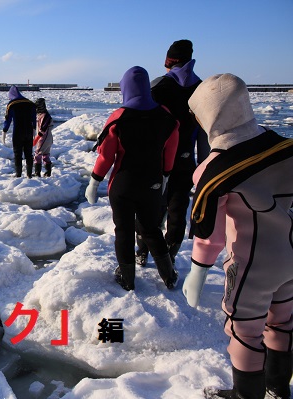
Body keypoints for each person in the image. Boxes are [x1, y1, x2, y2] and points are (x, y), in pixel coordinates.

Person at [182, 73, 293, 399]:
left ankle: (246, 395)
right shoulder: (283, 147)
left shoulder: (214, 168)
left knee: (245, 332)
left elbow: (211, 236)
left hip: (251, 267)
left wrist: (197, 272)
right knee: (284, 322)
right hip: (290, 255)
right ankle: (278, 388)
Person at [85, 66, 180, 291]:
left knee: (124, 230)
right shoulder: (166, 117)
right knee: (151, 228)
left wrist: (94, 181)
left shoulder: (119, 117)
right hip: (153, 184)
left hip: (123, 184)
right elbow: (171, 152)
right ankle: (168, 275)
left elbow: (106, 156)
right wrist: (165, 176)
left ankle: (127, 278)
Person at [135, 39, 210, 267]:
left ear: (169, 62)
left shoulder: (158, 87)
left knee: (151, 209)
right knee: (178, 210)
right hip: (187, 161)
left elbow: (144, 128)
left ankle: (142, 251)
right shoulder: (203, 89)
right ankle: (169, 256)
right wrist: (204, 165)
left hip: (157, 162)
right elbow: (205, 132)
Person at [2, 85, 36, 178]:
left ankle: (18, 175)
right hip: (29, 131)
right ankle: (29, 175)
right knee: (29, 153)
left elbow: (8, 120)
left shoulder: (12, 104)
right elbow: (34, 118)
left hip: (18, 132)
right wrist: (34, 130)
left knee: (18, 154)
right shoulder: (30, 103)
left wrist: (4, 131)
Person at [34, 98, 54, 177]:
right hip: (46, 138)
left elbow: (43, 128)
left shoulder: (45, 115)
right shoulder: (41, 114)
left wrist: (36, 139)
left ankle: (37, 173)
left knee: (37, 154)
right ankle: (48, 172)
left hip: (44, 138)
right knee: (45, 155)